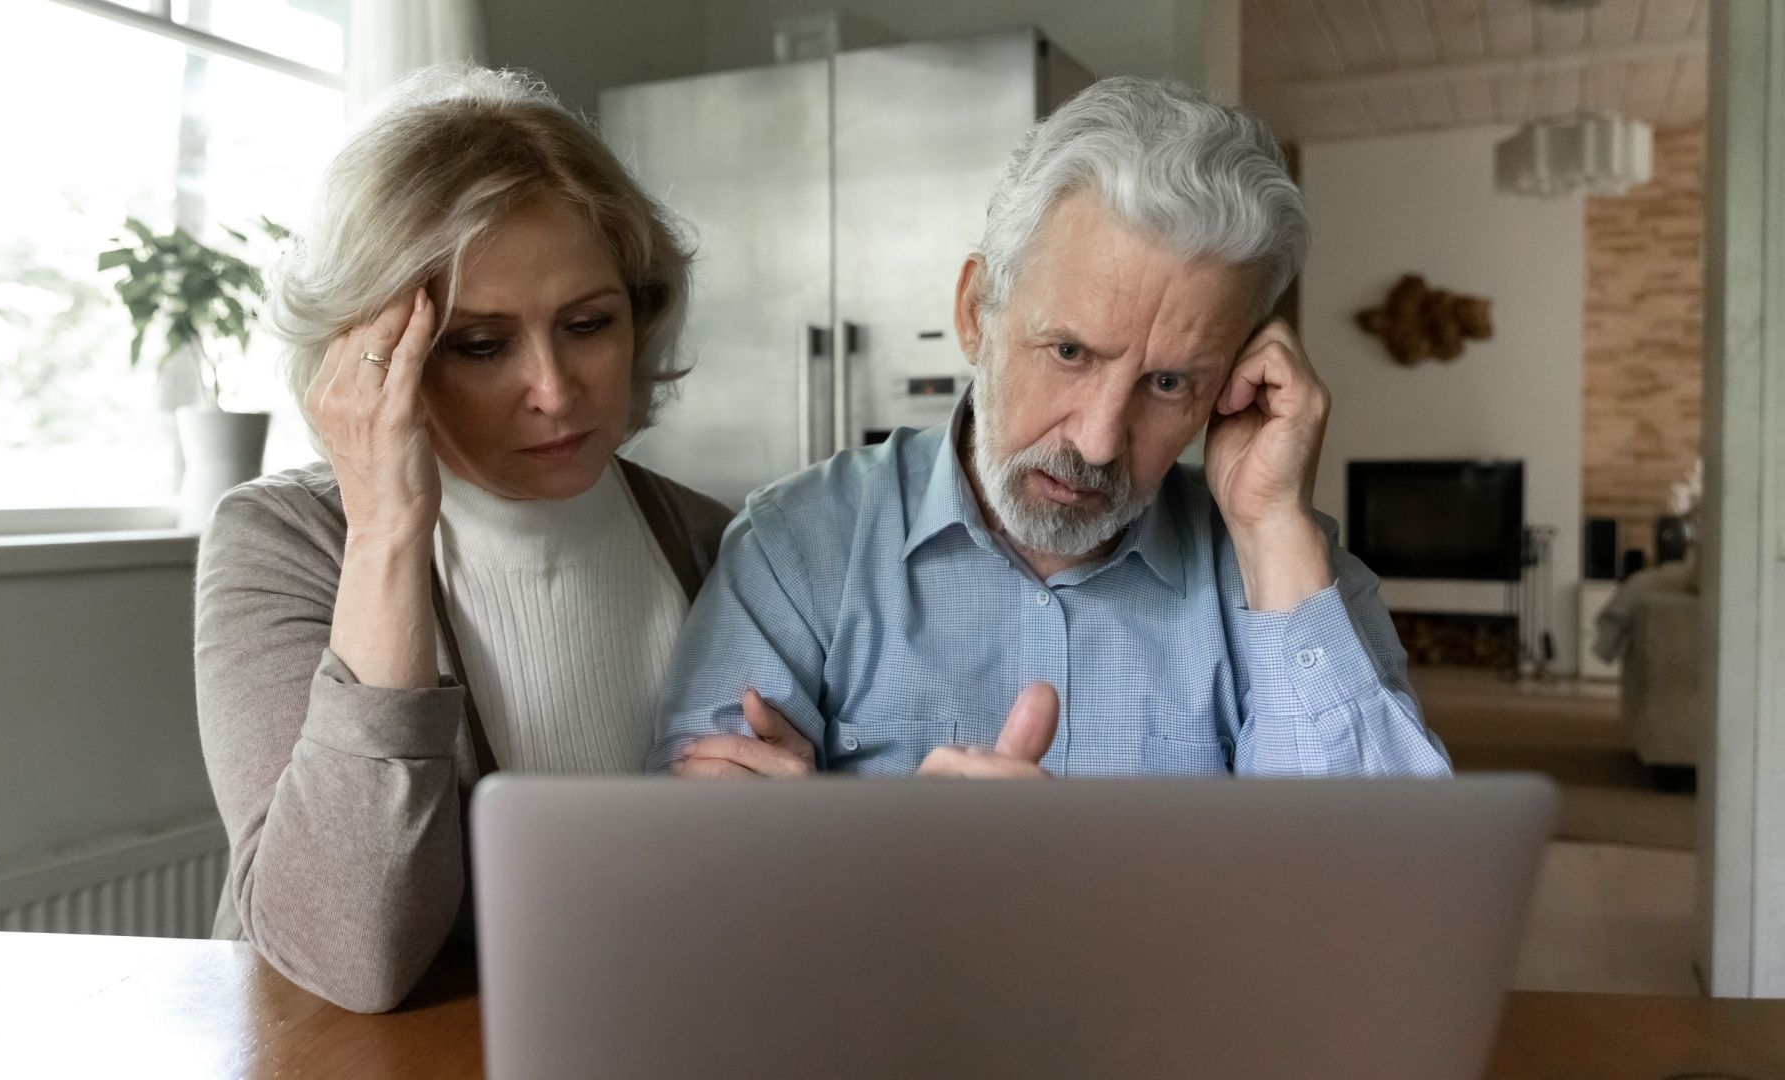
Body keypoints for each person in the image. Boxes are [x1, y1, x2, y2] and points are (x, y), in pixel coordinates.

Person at [651, 77, 1450, 781]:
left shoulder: (1285, 571)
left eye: (1169, 383)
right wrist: (843, 867)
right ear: (974, 314)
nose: (1099, 440)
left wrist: (1274, 533)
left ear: (1230, 388)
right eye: (1069, 352)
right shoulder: (797, 549)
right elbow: (691, 887)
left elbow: (1395, 894)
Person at [195, 64, 731, 1013]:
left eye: (588, 324)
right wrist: (390, 532)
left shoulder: (711, 541)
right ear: (371, 359)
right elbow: (354, 956)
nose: (556, 390)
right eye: (480, 346)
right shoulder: (283, 541)